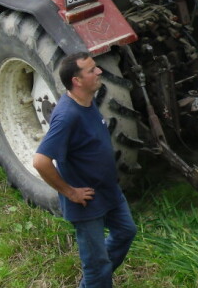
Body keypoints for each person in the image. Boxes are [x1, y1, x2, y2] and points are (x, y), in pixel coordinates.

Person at [33, 52, 136, 288]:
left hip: (109, 192)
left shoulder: (88, 101)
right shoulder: (67, 116)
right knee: (96, 264)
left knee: (126, 232)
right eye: (91, 70)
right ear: (77, 81)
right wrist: (71, 193)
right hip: (86, 202)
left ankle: (96, 280)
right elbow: (40, 161)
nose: (99, 72)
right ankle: (97, 280)